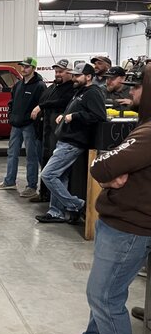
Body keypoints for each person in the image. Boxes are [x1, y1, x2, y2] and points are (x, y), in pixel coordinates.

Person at [54, 63, 150, 334]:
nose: (131, 89)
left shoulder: (148, 134)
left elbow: (101, 166)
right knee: (107, 296)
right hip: (122, 223)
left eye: (138, 85)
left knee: (103, 298)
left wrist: (108, 171)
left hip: (128, 227)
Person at [36, 63, 106, 224]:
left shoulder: (93, 93)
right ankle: (56, 212)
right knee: (60, 177)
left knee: (48, 175)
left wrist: (74, 116)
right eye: (73, 75)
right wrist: (64, 115)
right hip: (65, 139)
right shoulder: (80, 91)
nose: (74, 78)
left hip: (73, 142)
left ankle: (77, 204)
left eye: (77, 75)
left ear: (88, 77)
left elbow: (99, 116)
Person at [0, 57, 45, 197]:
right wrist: (11, 116)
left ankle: (32, 186)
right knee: (12, 154)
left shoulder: (39, 86)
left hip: (30, 126)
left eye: (27, 67)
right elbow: (12, 102)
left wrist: (34, 116)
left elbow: (43, 105)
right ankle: (9, 181)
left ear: (33, 68)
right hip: (16, 125)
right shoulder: (18, 85)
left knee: (31, 157)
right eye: (22, 66)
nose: (24, 69)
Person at [29, 59, 75, 203]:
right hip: (46, 131)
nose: (57, 74)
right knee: (44, 161)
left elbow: (61, 101)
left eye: (61, 72)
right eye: (56, 72)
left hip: (58, 132)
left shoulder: (71, 88)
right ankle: (44, 194)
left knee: (54, 168)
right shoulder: (54, 86)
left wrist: (41, 106)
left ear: (70, 73)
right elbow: (44, 99)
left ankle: (56, 200)